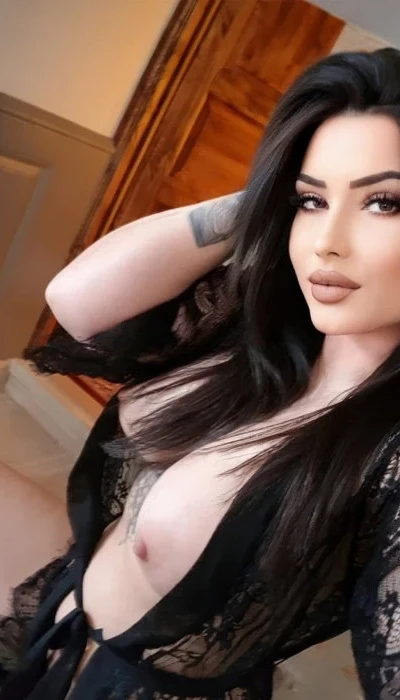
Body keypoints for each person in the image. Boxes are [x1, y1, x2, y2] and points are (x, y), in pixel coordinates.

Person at [1, 46, 400, 699]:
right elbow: (76, 302)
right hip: (63, 607)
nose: (327, 242)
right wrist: (269, 196)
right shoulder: (262, 325)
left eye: (383, 202)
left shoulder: (388, 453)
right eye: (311, 200)